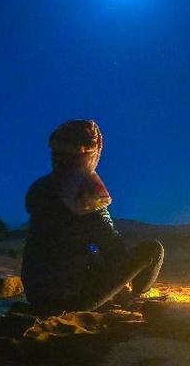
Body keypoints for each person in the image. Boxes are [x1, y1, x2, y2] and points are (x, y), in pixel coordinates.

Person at [21, 120, 164, 312]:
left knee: (93, 254)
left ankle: (118, 292)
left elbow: (77, 243)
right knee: (153, 250)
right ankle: (139, 293)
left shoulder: (39, 187)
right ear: (91, 153)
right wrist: (118, 272)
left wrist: (94, 253)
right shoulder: (86, 193)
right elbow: (114, 251)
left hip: (36, 293)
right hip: (71, 298)